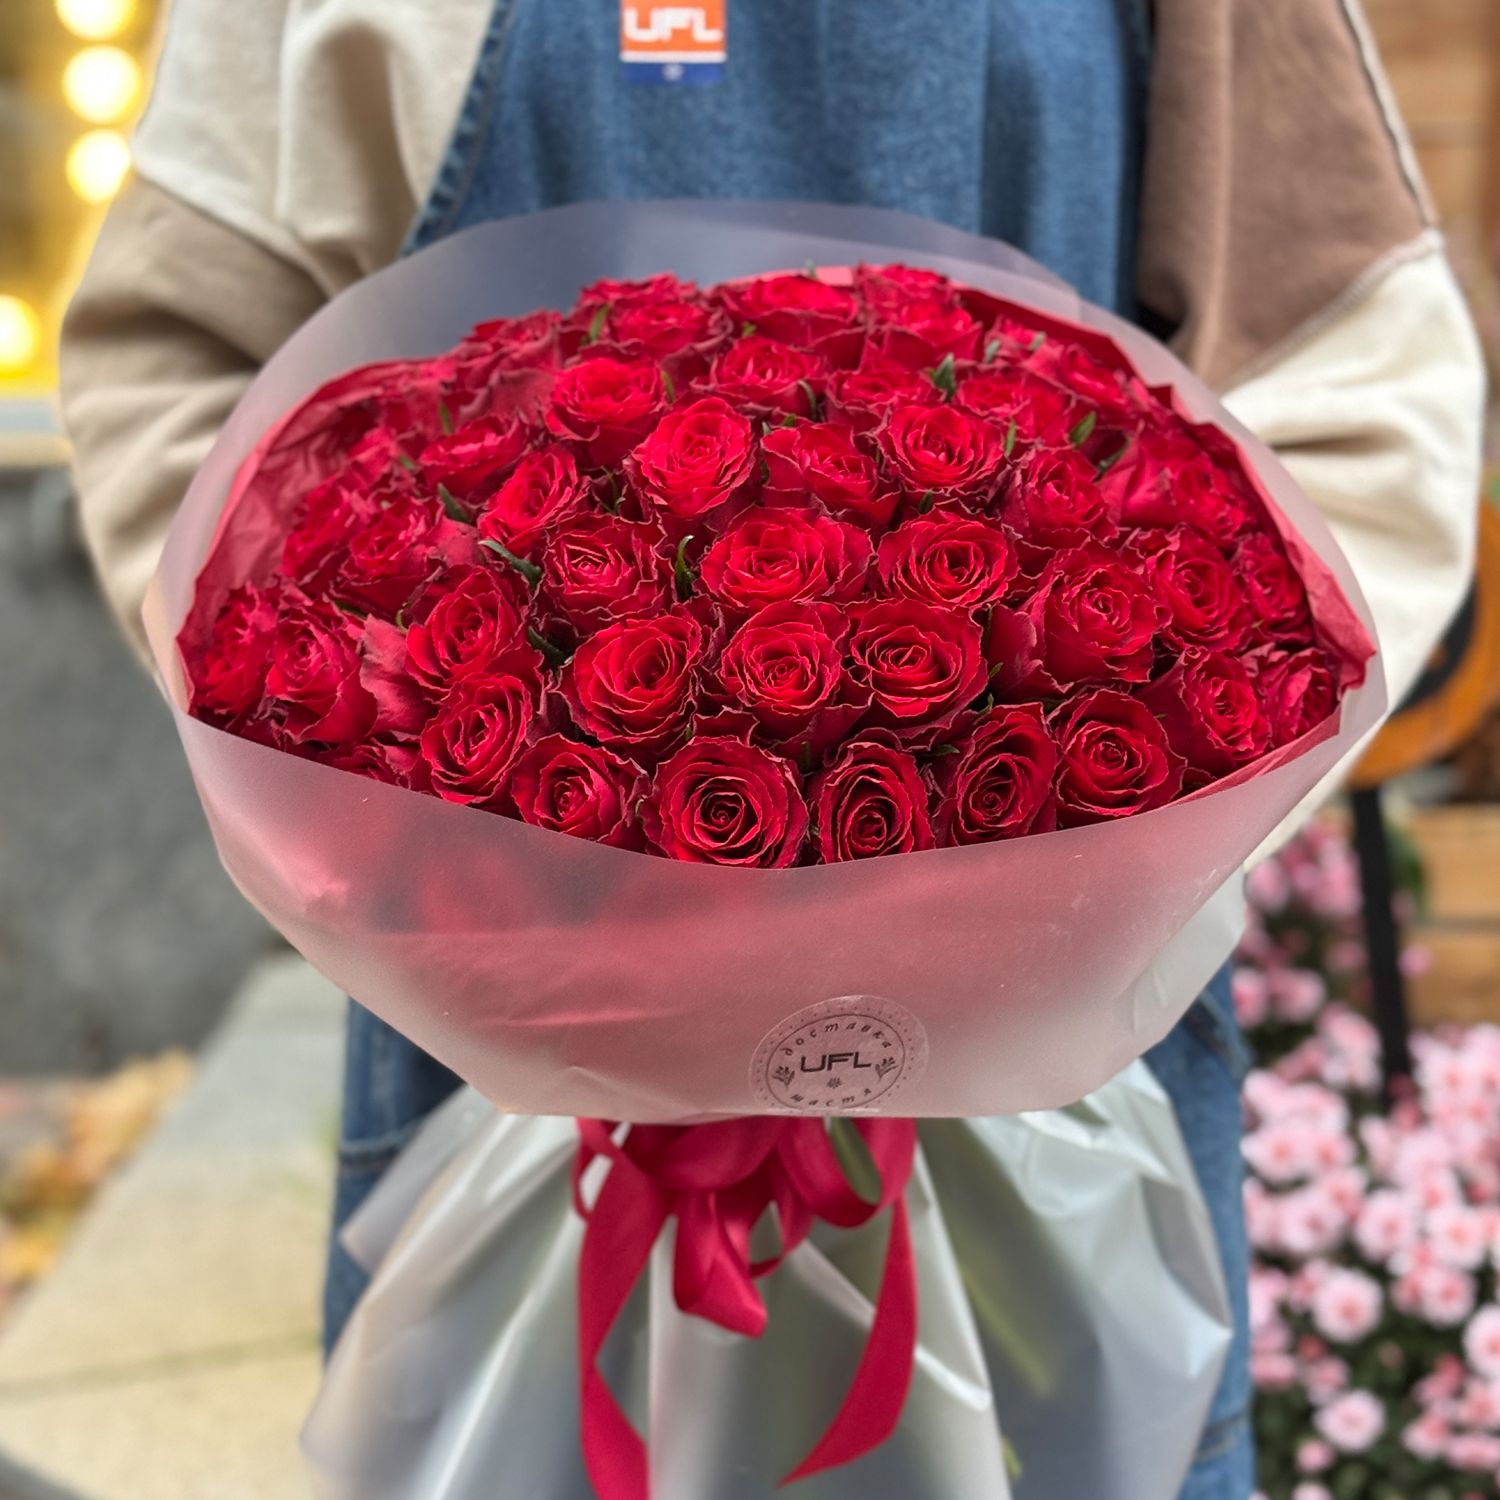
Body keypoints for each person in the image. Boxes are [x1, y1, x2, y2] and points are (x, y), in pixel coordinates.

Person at [59, 3, 1482, 1495]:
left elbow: (1361, 403)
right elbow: (180, 370)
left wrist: (1090, 856)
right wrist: (396, 808)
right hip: (499, 1086)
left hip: (1067, 1089)